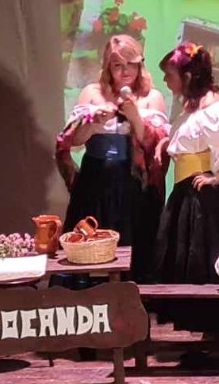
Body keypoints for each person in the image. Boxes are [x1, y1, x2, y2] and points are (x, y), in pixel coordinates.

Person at [151, 42, 219, 340]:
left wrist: (217, 175)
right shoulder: (191, 105)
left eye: (170, 75)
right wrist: (165, 144)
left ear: (187, 76)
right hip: (185, 193)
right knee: (185, 258)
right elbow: (186, 137)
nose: (165, 80)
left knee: (203, 259)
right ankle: (200, 324)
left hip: (202, 197)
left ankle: (215, 325)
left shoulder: (214, 108)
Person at [53, 34, 169, 280]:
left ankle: (128, 298)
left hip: (132, 182)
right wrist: (93, 124)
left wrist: (135, 117)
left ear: (140, 65)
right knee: (86, 241)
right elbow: (73, 140)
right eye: (118, 65)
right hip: (94, 179)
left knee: (131, 244)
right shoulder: (91, 93)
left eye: (131, 64)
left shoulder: (152, 97)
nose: (125, 71)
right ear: (108, 67)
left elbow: (155, 146)